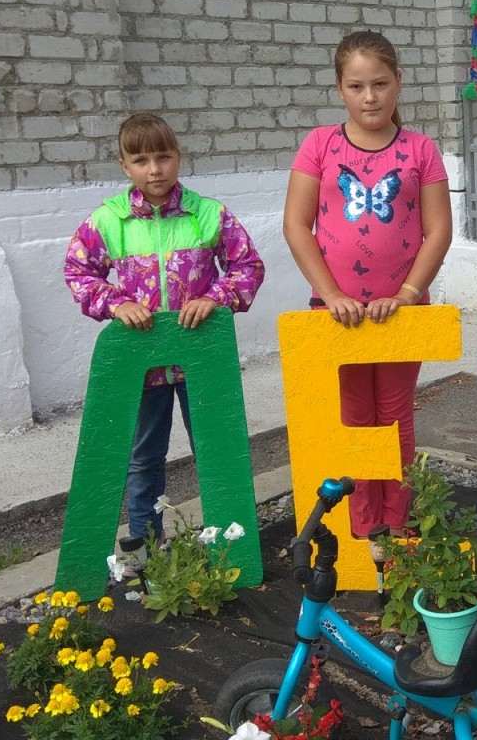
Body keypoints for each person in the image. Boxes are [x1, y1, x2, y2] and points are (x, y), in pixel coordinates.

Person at [64, 112, 265, 560]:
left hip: (201, 359)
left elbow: (247, 266)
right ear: (124, 166)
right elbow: (79, 271)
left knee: (215, 451)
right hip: (143, 364)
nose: (154, 169)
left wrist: (215, 297)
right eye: (141, 160)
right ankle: (146, 549)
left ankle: (229, 545)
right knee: (143, 456)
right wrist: (115, 303)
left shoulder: (209, 214)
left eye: (163, 157)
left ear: (178, 157)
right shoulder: (108, 221)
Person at [282, 31, 452, 538]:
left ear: (399, 81)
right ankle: (362, 530)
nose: (370, 97)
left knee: (395, 414)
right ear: (340, 89)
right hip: (338, 314)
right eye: (356, 86)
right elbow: (297, 225)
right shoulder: (320, 145)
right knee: (354, 416)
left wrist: (407, 294)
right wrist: (332, 294)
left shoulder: (420, 149)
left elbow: (438, 230)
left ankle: (395, 525)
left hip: (402, 312)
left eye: (380, 83)